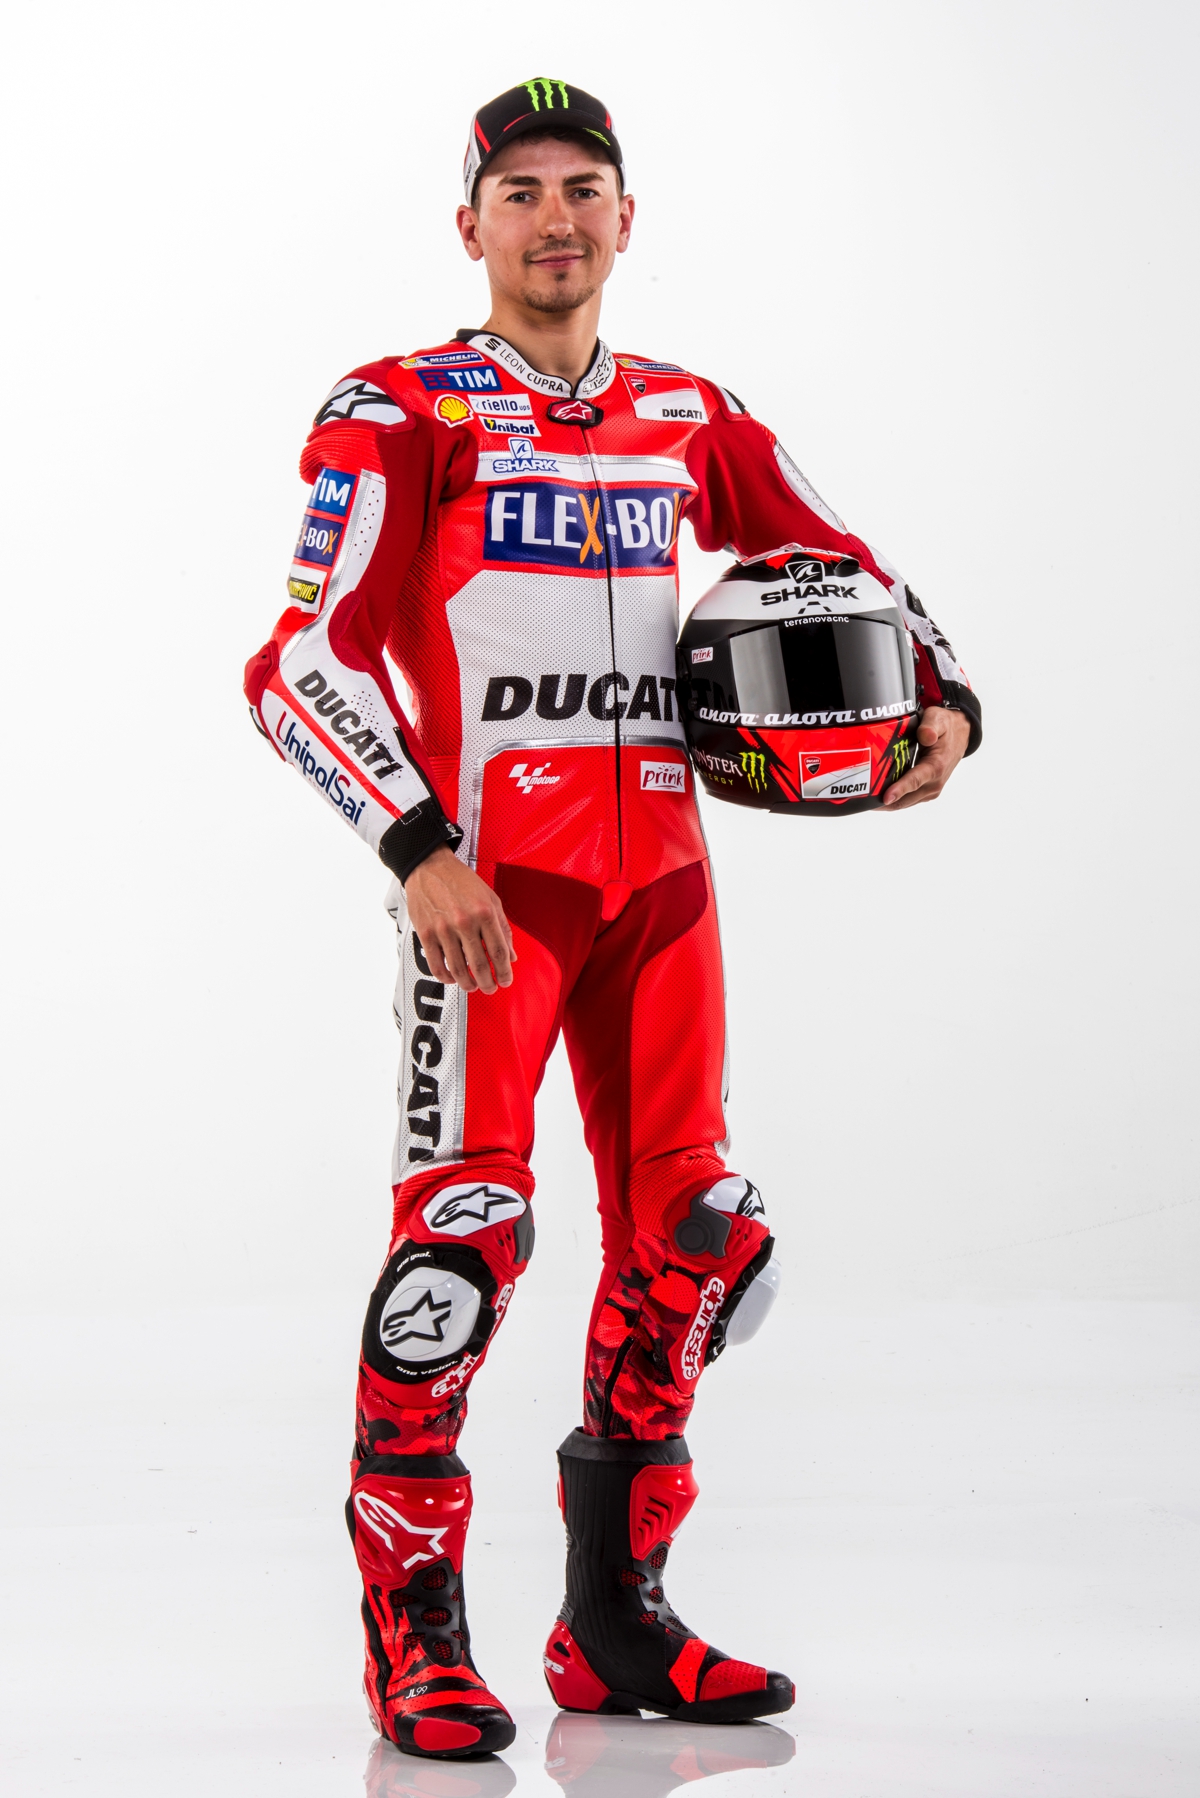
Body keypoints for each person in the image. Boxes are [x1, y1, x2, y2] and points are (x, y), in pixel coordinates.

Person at [244, 78, 980, 1764]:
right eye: (521, 192)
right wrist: (416, 846)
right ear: (471, 226)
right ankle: (414, 1636)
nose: (555, 218)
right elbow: (296, 658)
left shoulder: (685, 410)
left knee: (695, 1237)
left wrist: (947, 700)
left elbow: (847, 559)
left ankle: (614, 1619)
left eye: (583, 188)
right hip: (493, 895)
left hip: (664, 885)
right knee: (460, 1249)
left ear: (627, 219)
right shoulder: (396, 409)